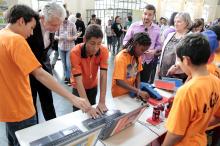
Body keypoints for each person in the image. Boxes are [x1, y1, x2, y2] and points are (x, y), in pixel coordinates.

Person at [0, 4, 90, 146]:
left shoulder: (2, 36)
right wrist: (72, 97)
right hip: (22, 109)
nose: (30, 33)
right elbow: (39, 73)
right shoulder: (16, 40)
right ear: (21, 21)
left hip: (8, 111)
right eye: (30, 28)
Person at [162, 33, 220, 146]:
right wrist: (198, 126)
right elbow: (218, 117)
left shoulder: (186, 91)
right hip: (200, 141)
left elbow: (175, 134)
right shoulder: (217, 82)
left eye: (179, 62)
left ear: (186, 60)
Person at [27, 2, 66, 122]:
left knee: (48, 99)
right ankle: (34, 127)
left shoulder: (53, 25)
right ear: (42, 18)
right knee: (31, 102)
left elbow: (44, 50)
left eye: (59, 25)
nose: (56, 28)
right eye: (54, 25)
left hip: (44, 67)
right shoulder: (29, 26)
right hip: (29, 71)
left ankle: (52, 125)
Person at [70, 24, 109, 118]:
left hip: (92, 86)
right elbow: (78, 81)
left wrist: (102, 101)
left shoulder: (103, 51)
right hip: (78, 88)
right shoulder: (75, 52)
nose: (96, 48)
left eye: (99, 43)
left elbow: (103, 76)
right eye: (92, 43)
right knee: (79, 115)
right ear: (84, 40)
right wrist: (87, 107)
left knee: (93, 115)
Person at [123, 4, 162, 84]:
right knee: (131, 81)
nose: (147, 17)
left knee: (144, 83)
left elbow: (159, 45)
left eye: (150, 14)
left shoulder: (157, 29)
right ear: (142, 14)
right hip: (133, 62)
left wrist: (154, 51)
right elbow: (125, 41)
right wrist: (134, 50)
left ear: (154, 16)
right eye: (145, 13)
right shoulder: (134, 26)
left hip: (148, 62)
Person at [112, 32, 151, 99]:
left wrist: (138, 90)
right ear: (135, 44)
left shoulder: (137, 56)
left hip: (130, 92)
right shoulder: (121, 58)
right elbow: (119, 81)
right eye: (142, 50)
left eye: (144, 51)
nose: (142, 53)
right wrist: (138, 91)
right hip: (119, 95)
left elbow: (137, 74)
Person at [158, 12, 192, 81]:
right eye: (175, 21)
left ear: (187, 23)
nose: (176, 24)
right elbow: (163, 52)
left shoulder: (190, 37)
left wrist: (177, 66)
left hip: (178, 74)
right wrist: (159, 66)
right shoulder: (170, 34)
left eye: (179, 21)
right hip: (164, 71)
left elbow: (190, 57)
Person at [55, 11, 78, 85]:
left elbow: (76, 35)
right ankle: (66, 77)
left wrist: (72, 38)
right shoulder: (59, 24)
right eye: (63, 17)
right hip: (61, 47)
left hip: (70, 47)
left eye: (65, 17)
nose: (64, 19)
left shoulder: (72, 24)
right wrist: (59, 37)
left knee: (69, 64)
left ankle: (69, 78)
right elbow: (55, 36)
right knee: (64, 64)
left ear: (67, 16)